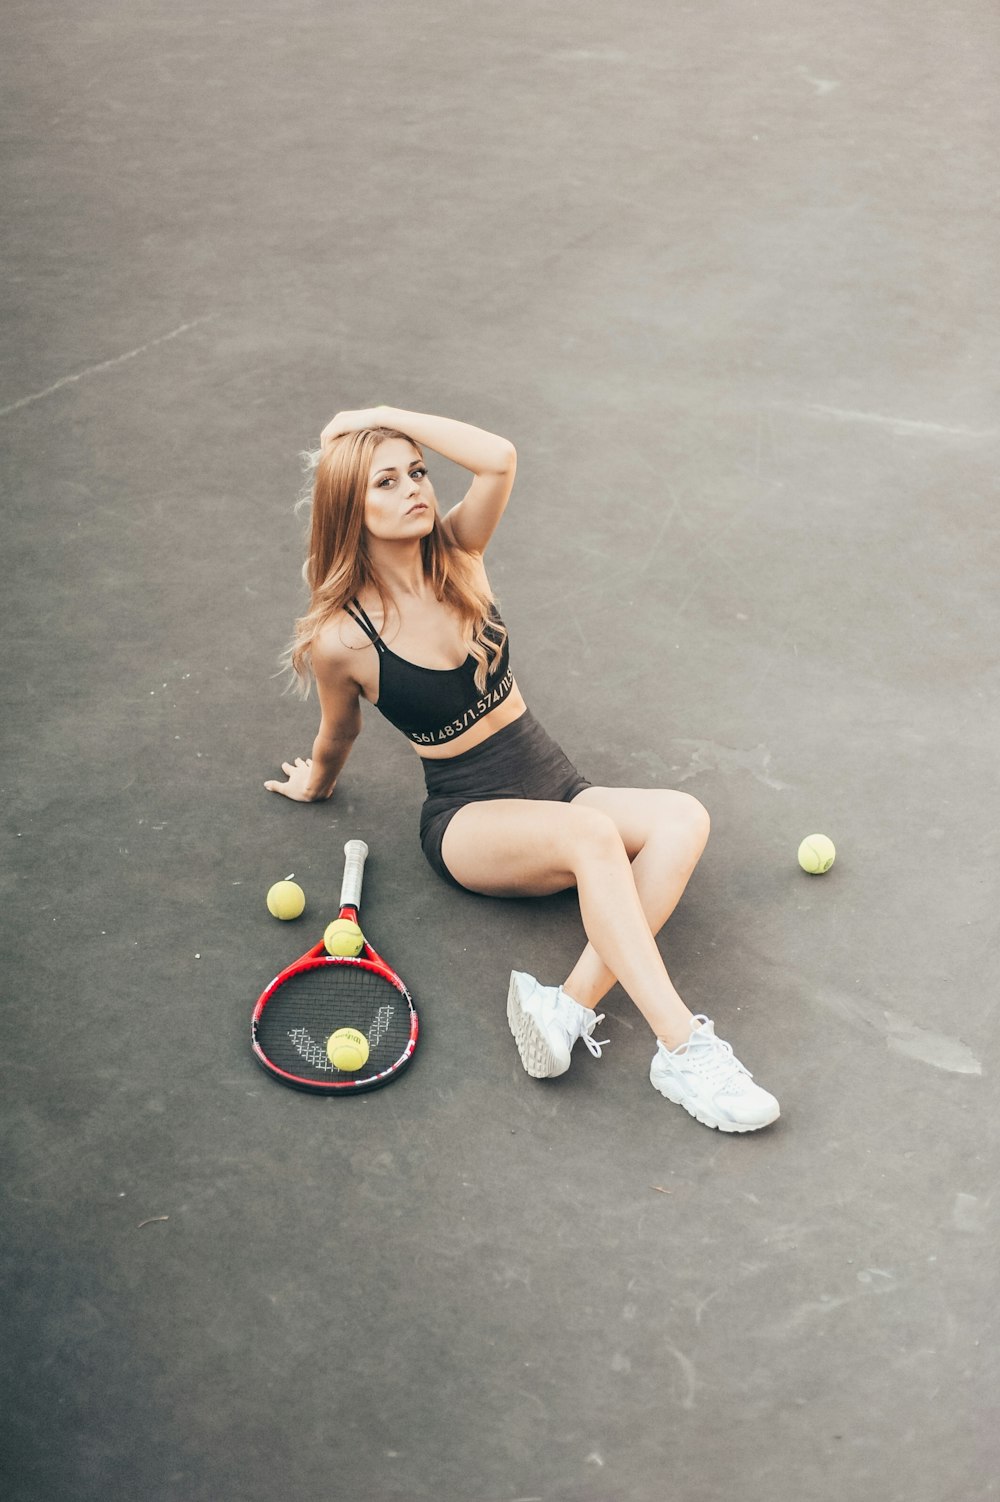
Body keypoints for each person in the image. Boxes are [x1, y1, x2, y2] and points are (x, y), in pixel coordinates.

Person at [266, 406, 779, 1133]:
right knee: (593, 837)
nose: (415, 488)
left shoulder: (460, 555)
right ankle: (683, 1049)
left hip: (556, 782)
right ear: (349, 505)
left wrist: (380, 415)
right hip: (468, 818)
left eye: (417, 472)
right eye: (386, 481)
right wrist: (315, 782)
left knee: (681, 817)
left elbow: (499, 457)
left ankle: (564, 1005)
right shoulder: (344, 638)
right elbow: (339, 730)